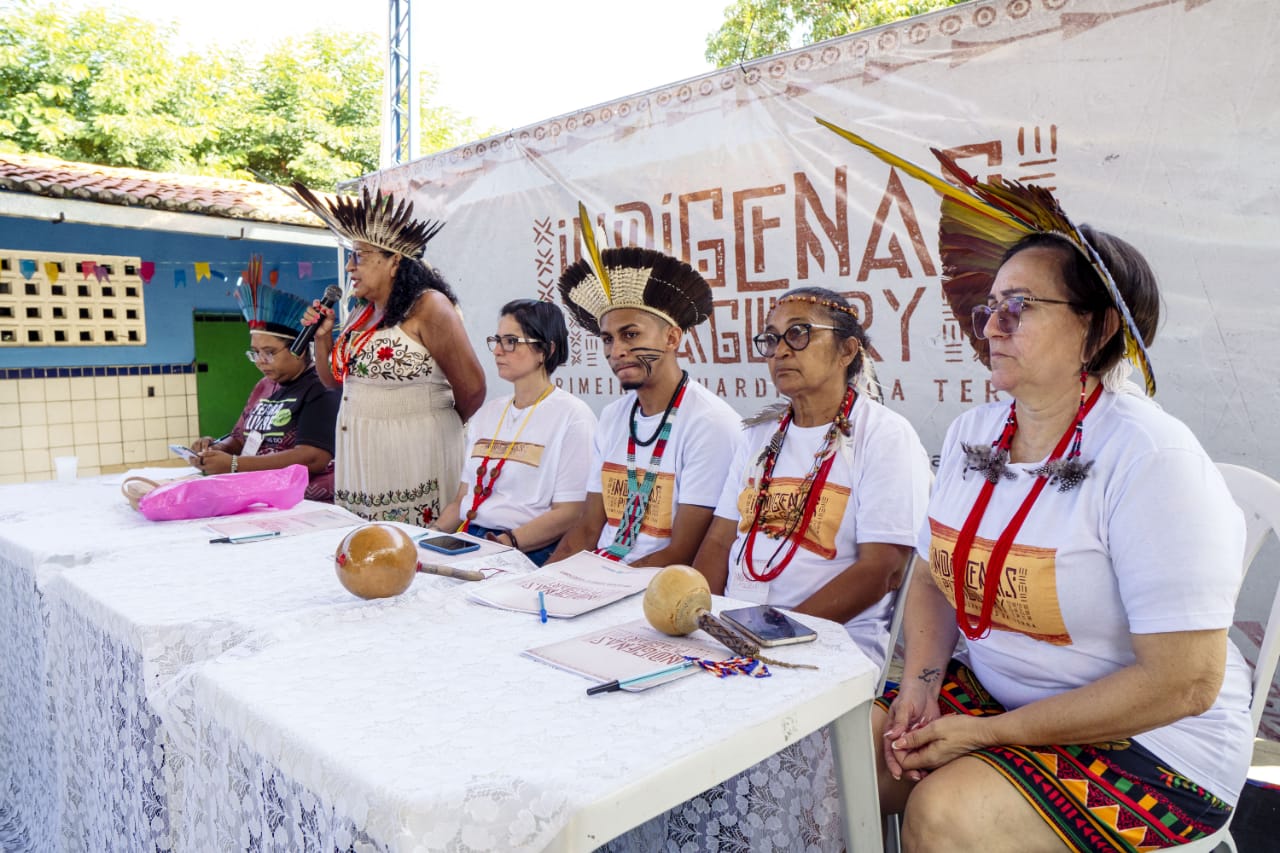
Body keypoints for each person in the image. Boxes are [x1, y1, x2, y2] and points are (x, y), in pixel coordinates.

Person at [836, 135, 1252, 852]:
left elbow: (1185, 682)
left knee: (943, 813)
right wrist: (922, 683)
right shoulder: (977, 429)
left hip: (1154, 742)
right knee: (845, 756)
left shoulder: (1150, 457)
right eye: (990, 306)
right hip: (1001, 697)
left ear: (1098, 330)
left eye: (1020, 306)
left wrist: (991, 734)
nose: (991, 325)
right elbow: (936, 573)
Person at [694, 286, 930, 672]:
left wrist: (774, 636)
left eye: (799, 334)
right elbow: (720, 540)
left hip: (829, 646)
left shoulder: (883, 435)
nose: (781, 351)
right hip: (736, 637)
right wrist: (701, 619)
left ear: (847, 351)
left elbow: (884, 569)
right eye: (771, 339)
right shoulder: (758, 434)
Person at [292, 183, 486, 525]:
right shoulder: (361, 313)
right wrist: (322, 340)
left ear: (394, 260)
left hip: (415, 449)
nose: (351, 267)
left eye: (360, 256)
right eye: (351, 257)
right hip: (360, 449)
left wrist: (429, 421)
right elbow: (333, 383)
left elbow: (472, 388)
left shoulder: (430, 306)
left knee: (411, 549)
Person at [547, 242, 740, 567]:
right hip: (601, 576)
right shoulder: (612, 416)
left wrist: (605, 585)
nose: (616, 351)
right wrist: (538, 584)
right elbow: (589, 527)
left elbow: (683, 552)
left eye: (631, 334)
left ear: (672, 338)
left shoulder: (710, 423)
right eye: (608, 339)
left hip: (653, 591)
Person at [432, 299, 597, 565]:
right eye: (496, 340)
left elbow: (571, 512)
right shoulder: (488, 413)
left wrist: (506, 543)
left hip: (526, 548)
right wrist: (432, 536)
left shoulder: (573, 417)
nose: (497, 351)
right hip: (470, 539)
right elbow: (463, 499)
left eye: (511, 342)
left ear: (545, 350)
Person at [192, 266, 338, 502]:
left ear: (298, 350)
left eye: (269, 353)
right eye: (255, 353)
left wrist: (235, 464)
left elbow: (313, 457)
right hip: (260, 494)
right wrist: (218, 448)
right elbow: (241, 438)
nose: (260, 362)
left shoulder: (320, 387)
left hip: (303, 502)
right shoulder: (264, 386)